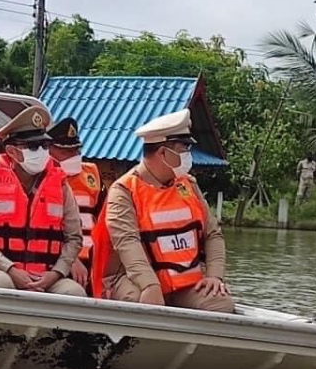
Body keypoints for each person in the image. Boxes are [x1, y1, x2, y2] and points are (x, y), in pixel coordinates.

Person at [90, 109, 234, 313]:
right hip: (134, 277)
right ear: (163, 153)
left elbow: (213, 234)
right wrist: (150, 283)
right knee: (140, 301)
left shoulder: (188, 185)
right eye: (183, 149)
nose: (188, 156)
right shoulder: (124, 191)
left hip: (183, 279)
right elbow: (127, 242)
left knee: (220, 303)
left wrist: (214, 275)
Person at [0, 105, 86, 297]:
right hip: (1, 270)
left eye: (45, 146)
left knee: (75, 293)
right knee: (0, 284)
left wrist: (56, 273)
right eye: (32, 147)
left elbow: (74, 238)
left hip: (47, 275)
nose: (40, 152)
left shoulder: (62, 186)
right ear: (12, 151)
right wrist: (11, 269)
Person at [48, 117, 102, 290]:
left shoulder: (92, 175)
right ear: (49, 151)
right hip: (63, 261)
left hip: (95, 259)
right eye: (66, 152)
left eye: (76, 150)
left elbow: (104, 219)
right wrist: (70, 259)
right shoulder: (42, 179)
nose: (74, 157)